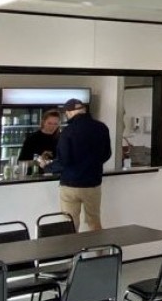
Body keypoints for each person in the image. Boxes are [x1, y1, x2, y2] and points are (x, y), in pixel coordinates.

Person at [37, 98, 112, 231]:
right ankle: (99, 245)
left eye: (66, 113)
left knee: (70, 225)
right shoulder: (102, 128)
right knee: (94, 222)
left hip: (70, 185)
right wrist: (92, 164)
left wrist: (47, 166)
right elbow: (107, 154)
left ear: (70, 112)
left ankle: (72, 245)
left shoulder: (67, 132)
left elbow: (64, 161)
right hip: (93, 184)